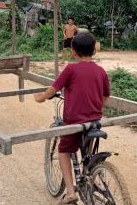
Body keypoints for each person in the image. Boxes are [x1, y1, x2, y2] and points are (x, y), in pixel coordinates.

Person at [34, 32, 110, 204]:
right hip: (94, 121)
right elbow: (105, 96)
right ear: (94, 51)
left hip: (74, 121)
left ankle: (70, 192)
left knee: (63, 151)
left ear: (73, 52)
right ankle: (89, 173)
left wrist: (40, 97)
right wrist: (96, 107)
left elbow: (53, 90)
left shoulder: (70, 69)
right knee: (87, 154)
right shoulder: (100, 71)